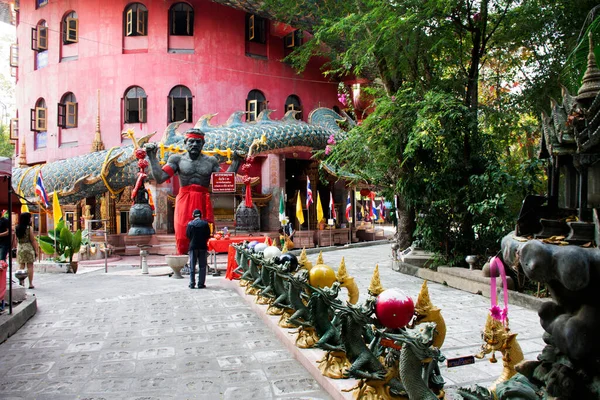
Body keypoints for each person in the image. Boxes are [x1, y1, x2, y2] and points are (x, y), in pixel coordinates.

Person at [145, 128, 241, 255]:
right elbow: (160, 177)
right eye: (191, 141)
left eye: (198, 142)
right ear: (185, 143)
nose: (194, 144)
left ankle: (202, 261)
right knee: (182, 232)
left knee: (204, 231)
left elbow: (226, 181)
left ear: (203, 144)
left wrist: (236, 161)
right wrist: (152, 157)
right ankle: (184, 260)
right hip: (184, 199)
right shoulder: (177, 160)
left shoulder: (211, 161)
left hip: (203, 199)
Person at [186, 209, 211, 289]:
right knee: (202, 266)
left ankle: (192, 283)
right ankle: (201, 284)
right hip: (202, 246)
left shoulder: (190, 224)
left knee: (192, 265)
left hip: (193, 246)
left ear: (193, 215)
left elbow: (188, 235)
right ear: (201, 215)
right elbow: (208, 235)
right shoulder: (205, 224)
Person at [15, 212, 38, 289]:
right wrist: (36, 250)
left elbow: (15, 240)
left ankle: (21, 282)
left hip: (20, 247)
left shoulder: (16, 228)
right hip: (28, 247)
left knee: (21, 265)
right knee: (30, 266)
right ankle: (30, 283)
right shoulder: (29, 228)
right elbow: (32, 240)